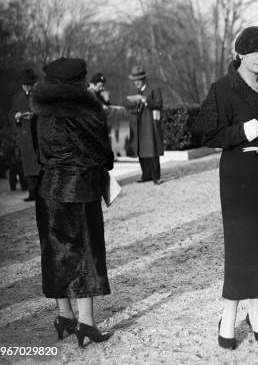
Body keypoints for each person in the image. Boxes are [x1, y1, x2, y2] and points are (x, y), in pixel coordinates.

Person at [196, 24, 258, 349]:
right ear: (239, 53)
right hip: (239, 179)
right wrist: (247, 130)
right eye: (255, 52)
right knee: (242, 248)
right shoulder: (223, 88)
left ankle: (255, 316)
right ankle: (228, 318)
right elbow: (207, 133)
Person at [31, 57, 114, 347]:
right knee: (85, 255)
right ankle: (86, 324)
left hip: (48, 190)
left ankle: (65, 316)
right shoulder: (85, 111)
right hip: (78, 191)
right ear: (79, 81)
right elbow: (101, 152)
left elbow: (37, 152)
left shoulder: (40, 112)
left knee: (56, 254)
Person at [124, 66, 164, 184]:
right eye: (134, 80)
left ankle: (155, 176)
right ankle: (146, 175)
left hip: (150, 125)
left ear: (144, 79)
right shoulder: (138, 91)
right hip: (140, 125)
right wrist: (133, 101)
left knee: (152, 151)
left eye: (139, 79)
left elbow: (158, 104)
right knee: (141, 151)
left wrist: (144, 99)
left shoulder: (154, 89)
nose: (136, 82)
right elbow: (128, 105)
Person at [9, 69, 40, 201]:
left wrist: (34, 115)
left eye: (29, 84)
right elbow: (11, 114)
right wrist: (16, 117)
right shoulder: (17, 97)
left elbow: (44, 112)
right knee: (27, 165)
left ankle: (39, 191)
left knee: (38, 163)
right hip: (25, 135)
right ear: (22, 85)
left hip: (37, 133)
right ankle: (31, 192)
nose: (27, 87)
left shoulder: (38, 96)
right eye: (24, 85)